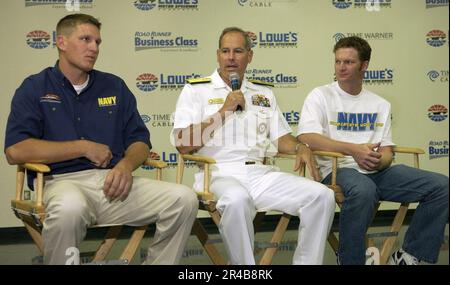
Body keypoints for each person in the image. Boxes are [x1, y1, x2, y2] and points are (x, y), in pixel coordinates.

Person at [4, 13, 198, 265]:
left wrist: (126, 166)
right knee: (69, 208)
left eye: (97, 42)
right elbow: (16, 151)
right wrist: (82, 148)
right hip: (61, 183)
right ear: (61, 42)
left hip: (115, 183)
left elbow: (140, 142)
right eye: (85, 39)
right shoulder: (34, 88)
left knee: (184, 198)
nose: (94, 48)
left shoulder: (114, 86)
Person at [172, 27, 335, 265]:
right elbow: (182, 144)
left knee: (322, 196)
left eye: (238, 51)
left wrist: (300, 147)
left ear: (249, 56)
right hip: (217, 174)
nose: (231, 57)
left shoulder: (263, 92)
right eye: (225, 51)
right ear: (217, 55)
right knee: (237, 200)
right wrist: (224, 110)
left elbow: (282, 139)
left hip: (260, 173)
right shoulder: (196, 90)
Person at [297, 36, 449, 265]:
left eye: (348, 62)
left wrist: (380, 161)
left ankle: (410, 256)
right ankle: (350, 260)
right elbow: (307, 137)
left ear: (364, 65)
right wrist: (354, 151)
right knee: (364, 190)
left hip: (375, 171)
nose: (341, 67)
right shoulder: (320, 95)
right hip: (338, 170)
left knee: (441, 186)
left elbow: (387, 150)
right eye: (338, 61)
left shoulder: (379, 104)